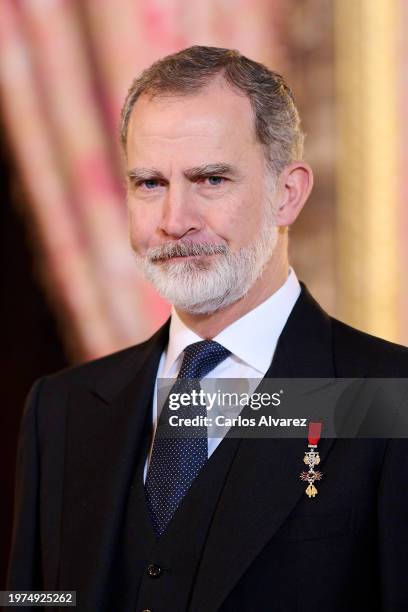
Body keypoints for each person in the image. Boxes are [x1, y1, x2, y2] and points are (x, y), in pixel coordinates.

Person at [7, 46, 408, 612]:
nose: (174, 220)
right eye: (149, 183)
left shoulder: (390, 398)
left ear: (287, 193)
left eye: (211, 179)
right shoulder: (61, 409)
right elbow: (35, 600)